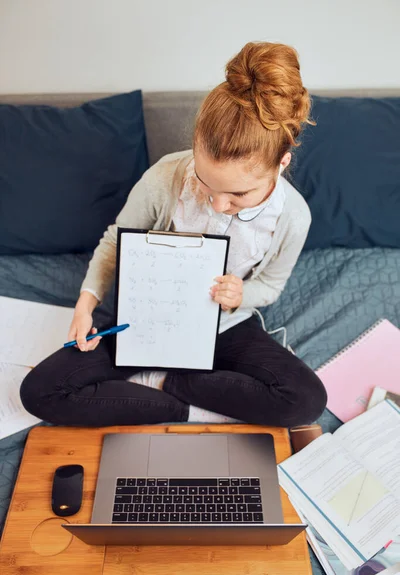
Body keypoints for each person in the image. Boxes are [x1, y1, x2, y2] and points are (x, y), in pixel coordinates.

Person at [20, 41, 327, 428]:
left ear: (281, 164)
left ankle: (173, 384)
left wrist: (241, 295)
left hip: (223, 329)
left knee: (306, 400)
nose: (217, 205)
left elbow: (271, 285)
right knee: (40, 390)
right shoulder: (166, 176)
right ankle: (176, 406)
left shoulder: (293, 217)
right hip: (144, 320)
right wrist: (86, 303)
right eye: (206, 182)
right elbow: (115, 240)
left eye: (238, 195)